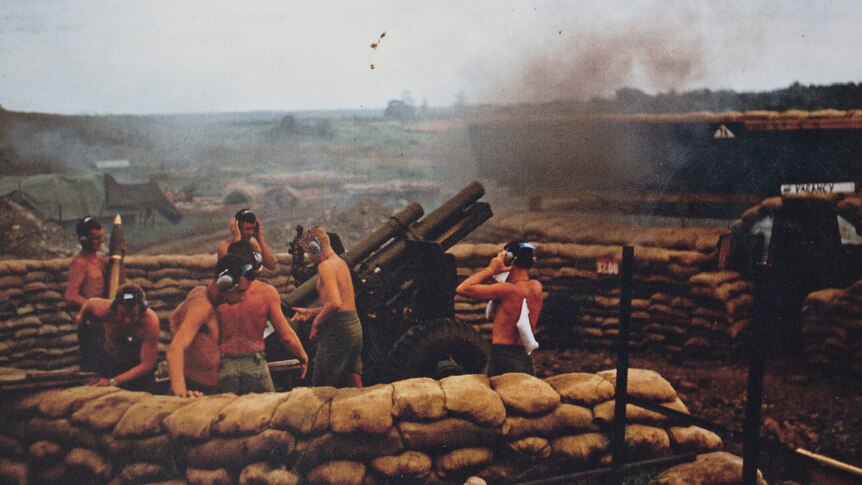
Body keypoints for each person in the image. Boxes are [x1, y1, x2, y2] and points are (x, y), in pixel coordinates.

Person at [215, 254, 308, 394]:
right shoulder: (266, 293)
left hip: (225, 366)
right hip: (255, 366)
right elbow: (286, 336)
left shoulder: (217, 297)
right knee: (266, 412)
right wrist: (302, 356)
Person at [456, 241, 543, 376]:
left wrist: (491, 270)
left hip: (502, 358)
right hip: (525, 358)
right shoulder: (537, 287)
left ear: (508, 258)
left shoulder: (506, 290)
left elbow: (462, 289)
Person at [292, 227, 363, 388]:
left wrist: (316, 324)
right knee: (353, 379)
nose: (309, 257)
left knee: (321, 384)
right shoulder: (340, 262)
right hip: (353, 327)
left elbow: (334, 303)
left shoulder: (325, 266)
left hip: (338, 331)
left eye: (309, 252)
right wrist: (311, 312)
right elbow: (342, 305)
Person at [65, 216, 125, 371]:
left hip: (104, 320)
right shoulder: (79, 263)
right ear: (84, 239)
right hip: (90, 323)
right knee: (93, 366)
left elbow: (119, 283)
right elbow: (70, 296)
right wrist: (93, 306)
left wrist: (121, 260)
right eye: (96, 238)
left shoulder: (101, 260)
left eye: (102, 237)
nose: (101, 241)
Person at [75, 284, 159, 391]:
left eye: (132, 315)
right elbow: (88, 305)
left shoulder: (150, 321)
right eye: (123, 314)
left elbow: (146, 364)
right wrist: (82, 322)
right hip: (112, 359)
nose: (127, 320)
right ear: (115, 307)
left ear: (141, 310)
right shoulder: (101, 308)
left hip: (137, 366)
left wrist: (112, 381)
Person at [167, 273, 225, 398]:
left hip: (210, 383)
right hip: (195, 386)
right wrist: (181, 394)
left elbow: (173, 317)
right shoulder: (202, 306)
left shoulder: (199, 293)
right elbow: (175, 349)